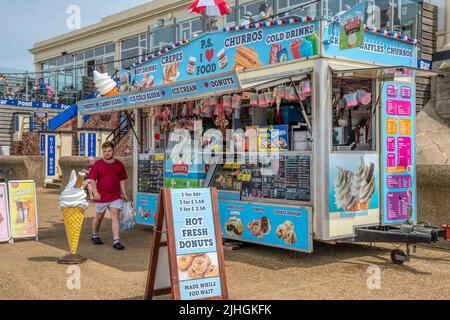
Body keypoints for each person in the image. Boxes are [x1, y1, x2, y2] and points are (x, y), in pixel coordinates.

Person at [88, 141, 129, 250]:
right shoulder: (98, 164)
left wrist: (124, 193)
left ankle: (116, 241)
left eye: (109, 151)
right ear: (102, 152)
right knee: (99, 217)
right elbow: (92, 179)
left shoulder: (119, 164)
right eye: (105, 151)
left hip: (115, 195)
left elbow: (122, 180)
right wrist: (95, 192)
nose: (107, 153)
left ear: (113, 151)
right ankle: (95, 235)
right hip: (101, 196)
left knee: (115, 215)